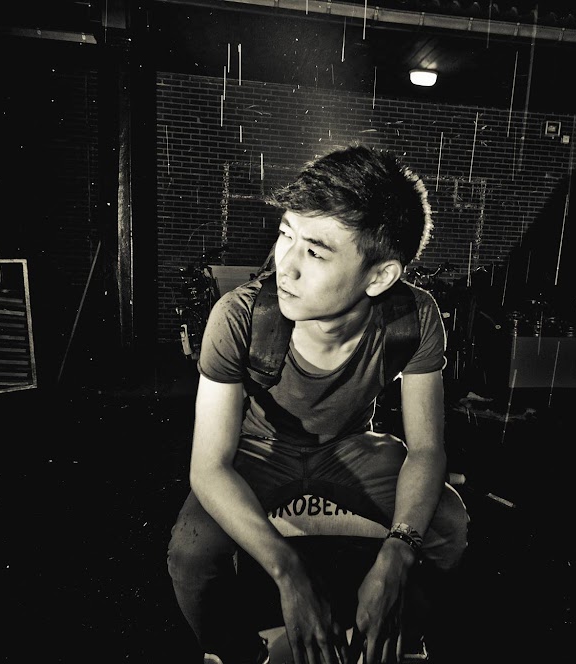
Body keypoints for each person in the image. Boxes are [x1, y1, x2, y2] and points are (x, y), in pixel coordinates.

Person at [167, 144, 469, 664]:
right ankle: (234, 654)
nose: (285, 266)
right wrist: (290, 574)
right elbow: (209, 466)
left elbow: (426, 450)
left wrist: (397, 555)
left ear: (379, 276)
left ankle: (396, 637)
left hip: (352, 448)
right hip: (260, 450)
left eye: (315, 252)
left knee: (448, 526)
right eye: (286, 234)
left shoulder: (414, 317)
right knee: (190, 553)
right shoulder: (239, 316)